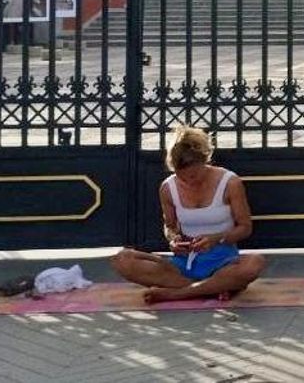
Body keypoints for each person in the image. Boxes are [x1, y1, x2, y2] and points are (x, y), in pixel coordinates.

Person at [111, 127, 266, 302]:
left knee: (254, 263)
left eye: (193, 175)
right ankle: (215, 287)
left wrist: (216, 239)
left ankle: (179, 293)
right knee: (122, 260)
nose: (188, 181)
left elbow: (245, 228)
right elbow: (170, 226)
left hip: (222, 260)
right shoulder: (168, 187)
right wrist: (173, 240)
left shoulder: (230, 182)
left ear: (204, 162)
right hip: (184, 261)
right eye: (182, 177)